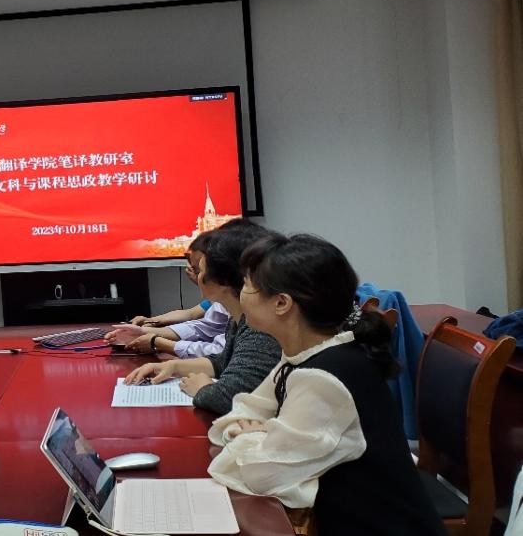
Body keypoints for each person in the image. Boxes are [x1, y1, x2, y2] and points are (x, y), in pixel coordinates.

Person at [207, 234, 444, 535]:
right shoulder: (304, 355)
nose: (241, 294)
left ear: (281, 303)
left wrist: (254, 435)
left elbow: (261, 474)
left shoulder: (323, 378)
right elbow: (242, 411)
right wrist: (257, 434)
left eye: (247, 285)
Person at [125, 221, 282, 414]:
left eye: (200, 270)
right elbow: (223, 361)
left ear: (224, 280)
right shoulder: (239, 319)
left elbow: (228, 398)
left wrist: (202, 389)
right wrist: (173, 365)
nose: (196, 277)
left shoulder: (260, 327)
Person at [106, 231, 228, 357]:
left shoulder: (237, 305)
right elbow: (203, 327)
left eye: (198, 270)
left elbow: (223, 354)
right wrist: (142, 331)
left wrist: (158, 343)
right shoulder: (221, 303)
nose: (196, 277)